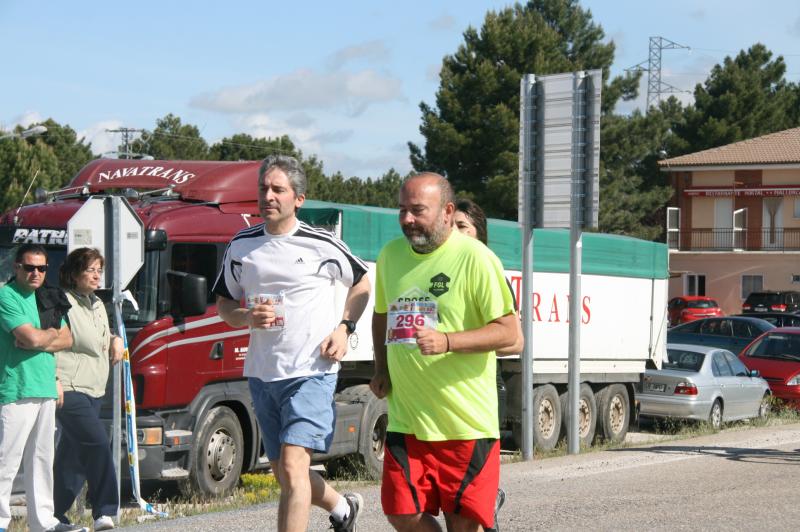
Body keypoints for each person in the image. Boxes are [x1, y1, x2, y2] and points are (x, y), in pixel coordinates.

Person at [213, 155, 371, 532]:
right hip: (263, 373)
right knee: (285, 473)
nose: (268, 196)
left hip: (312, 371)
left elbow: (362, 284)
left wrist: (344, 328)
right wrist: (245, 317)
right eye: (263, 188)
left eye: (278, 189)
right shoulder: (242, 245)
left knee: (293, 467)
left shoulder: (321, 243)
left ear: (298, 198)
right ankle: (342, 509)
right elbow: (224, 304)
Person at [370, 173, 518, 532]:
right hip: (408, 420)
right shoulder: (390, 255)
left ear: (447, 211)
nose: (407, 219)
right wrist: (381, 368)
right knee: (400, 513)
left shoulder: (476, 258)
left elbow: (509, 332)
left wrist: (447, 341)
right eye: (401, 210)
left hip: (464, 425)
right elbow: (381, 314)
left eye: (417, 210)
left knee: (461, 524)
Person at [0, 244, 87, 532]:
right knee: (6, 461)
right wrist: (47, 336)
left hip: (45, 387)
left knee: (41, 460)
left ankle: (44, 522)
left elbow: (67, 339)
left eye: (42, 268)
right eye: (29, 267)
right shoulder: (6, 296)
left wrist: (41, 337)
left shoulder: (47, 296)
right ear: (16, 267)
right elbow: (31, 338)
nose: (36, 273)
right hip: (15, 388)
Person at [454, 198, 525, 532]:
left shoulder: (489, 271)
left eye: (463, 227)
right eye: (451, 226)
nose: (455, 233)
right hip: (441, 396)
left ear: (479, 234)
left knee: (474, 483)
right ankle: (487, 502)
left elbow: (516, 341)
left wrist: (461, 344)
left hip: (483, 389)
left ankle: (488, 507)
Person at [53, 248, 123, 531]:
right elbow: (51, 341)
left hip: (95, 387)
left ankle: (54, 515)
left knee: (72, 456)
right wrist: (53, 379)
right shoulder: (62, 302)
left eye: (99, 270)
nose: (96, 276)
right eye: (90, 270)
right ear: (74, 274)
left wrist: (116, 339)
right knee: (97, 443)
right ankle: (104, 511)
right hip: (69, 386)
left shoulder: (97, 304)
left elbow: (101, 338)